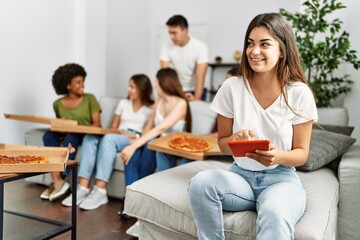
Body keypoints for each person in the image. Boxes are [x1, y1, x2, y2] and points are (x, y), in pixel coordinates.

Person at [188, 12, 318, 240]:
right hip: (240, 178)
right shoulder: (231, 87)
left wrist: (277, 156)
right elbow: (222, 144)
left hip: (282, 179)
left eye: (264, 44)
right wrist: (233, 141)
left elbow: (302, 154)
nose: (254, 51)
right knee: (200, 183)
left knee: (275, 212)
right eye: (250, 44)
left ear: (282, 50)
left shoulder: (298, 93)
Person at [61, 74, 154, 210]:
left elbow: (148, 133)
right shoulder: (123, 103)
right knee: (90, 137)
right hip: (118, 134)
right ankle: (83, 187)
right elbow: (113, 127)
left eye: (132, 87)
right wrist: (118, 132)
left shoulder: (150, 108)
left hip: (135, 137)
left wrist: (134, 136)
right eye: (129, 86)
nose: (128, 89)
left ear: (142, 88)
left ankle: (100, 190)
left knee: (108, 140)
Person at [118, 68, 192, 218]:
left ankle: (138, 199)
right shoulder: (159, 101)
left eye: (156, 82)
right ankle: (131, 200)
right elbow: (149, 127)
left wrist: (134, 145)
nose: (155, 86)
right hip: (156, 142)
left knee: (147, 144)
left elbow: (161, 127)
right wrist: (135, 144)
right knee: (132, 155)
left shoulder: (181, 103)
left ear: (163, 83)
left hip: (172, 146)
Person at [41, 63, 101, 201]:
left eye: (83, 81)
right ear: (68, 85)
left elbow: (97, 124)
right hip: (66, 133)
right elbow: (59, 125)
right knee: (48, 135)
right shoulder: (57, 104)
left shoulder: (90, 98)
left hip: (83, 134)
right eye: (78, 82)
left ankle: (59, 179)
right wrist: (61, 125)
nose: (83, 85)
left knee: (71, 137)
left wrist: (74, 127)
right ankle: (57, 181)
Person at [160, 15, 209, 101]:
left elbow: (200, 78)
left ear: (185, 31)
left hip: (197, 88)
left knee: (195, 112)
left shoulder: (200, 47)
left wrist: (196, 100)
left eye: (174, 33)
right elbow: (165, 75)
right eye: (169, 33)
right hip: (177, 89)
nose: (171, 36)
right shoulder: (166, 46)